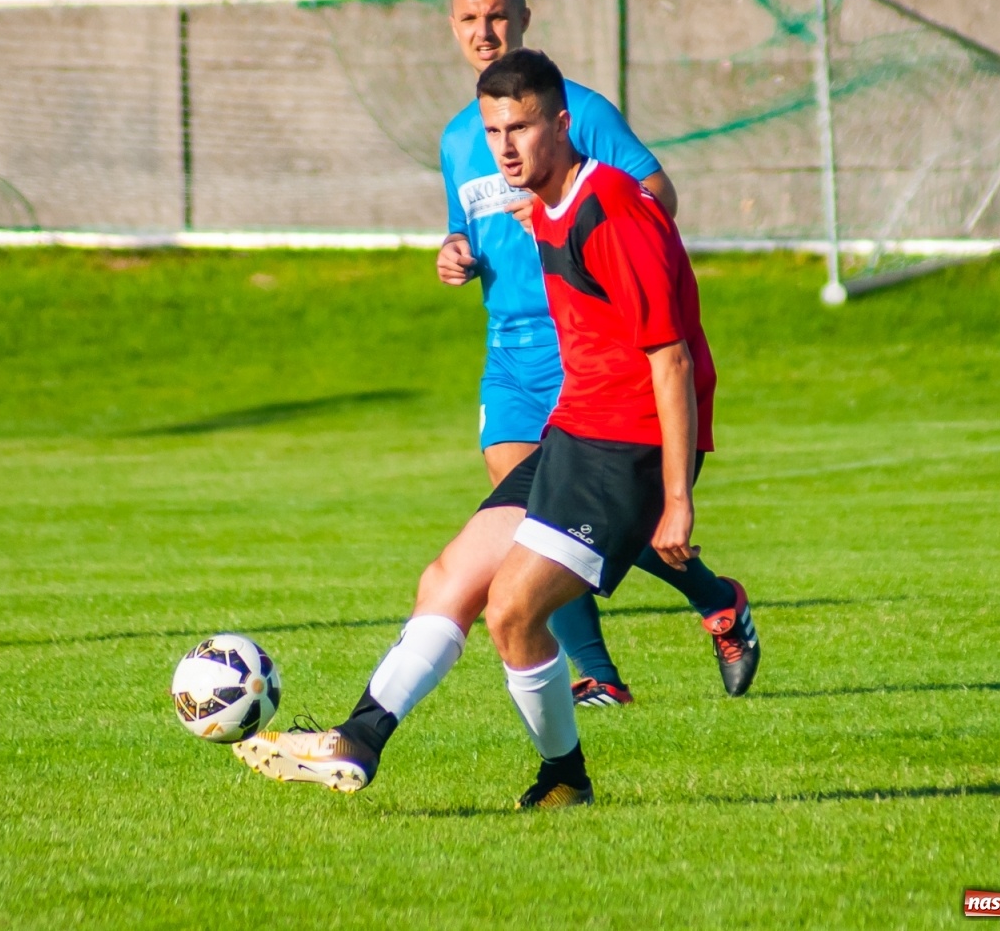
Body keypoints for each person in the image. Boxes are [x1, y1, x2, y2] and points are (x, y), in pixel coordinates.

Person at [234, 50, 760, 808]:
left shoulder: (608, 209)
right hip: (573, 434)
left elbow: (671, 358)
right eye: (493, 130)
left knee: (512, 612)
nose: (506, 146)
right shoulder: (542, 205)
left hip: (628, 452)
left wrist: (677, 497)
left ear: (562, 124)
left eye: (522, 126)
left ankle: (563, 778)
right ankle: (360, 737)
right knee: (448, 579)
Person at [437, 0, 713, 708]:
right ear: (452, 27)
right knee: (528, 522)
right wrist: (453, 252)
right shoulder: (459, 137)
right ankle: (618, 665)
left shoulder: (576, 112)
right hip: (508, 355)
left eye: (496, 17)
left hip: (579, 350)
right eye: (468, 20)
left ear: (525, 18)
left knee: (553, 523)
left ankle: (670, 627)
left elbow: (657, 195)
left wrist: (567, 228)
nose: (483, 33)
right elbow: (469, 225)